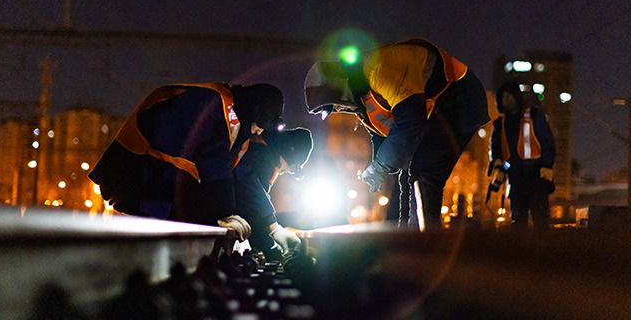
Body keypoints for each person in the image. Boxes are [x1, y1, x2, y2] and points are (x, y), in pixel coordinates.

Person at [305, 38, 489, 230]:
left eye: (334, 104)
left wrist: (381, 166)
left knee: (425, 170)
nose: (338, 109)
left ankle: (425, 241)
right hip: (436, 108)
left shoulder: (380, 70)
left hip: (460, 97)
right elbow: (385, 135)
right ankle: (406, 235)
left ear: (338, 86)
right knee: (408, 171)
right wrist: (381, 166)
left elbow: (411, 120)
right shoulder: (363, 98)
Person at [89, 82, 284, 240]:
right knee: (193, 223)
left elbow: (242, 176)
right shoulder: (214, 106)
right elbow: (215, 164)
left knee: (196, 221)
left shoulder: (236, 126)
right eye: (261, 125)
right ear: (254, 113)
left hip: (156, 183)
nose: (261, 131)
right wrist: (223, 214)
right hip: (135, 178)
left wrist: (272, 225)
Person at [234, 127, 313, 258]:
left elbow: (252, 210)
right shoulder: (262, 155)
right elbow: (249, 188)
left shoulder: (263, 149)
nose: (287, 171)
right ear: (287, 153)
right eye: (292, 168)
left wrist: (268, 245)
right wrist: (274, 228)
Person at [489, 81, 555, 229]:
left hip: (536, 175)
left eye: (509, 95)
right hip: (515, 177)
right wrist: (499, 168)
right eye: (503, 97)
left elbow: (547, 142)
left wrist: (546, 166)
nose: (506, 99)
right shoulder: (500, 124)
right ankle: (520, 249)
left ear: (516, 96)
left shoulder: (533, 116)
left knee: (540, 220)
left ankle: (541, 250)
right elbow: (496, 149)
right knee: (518, 221)